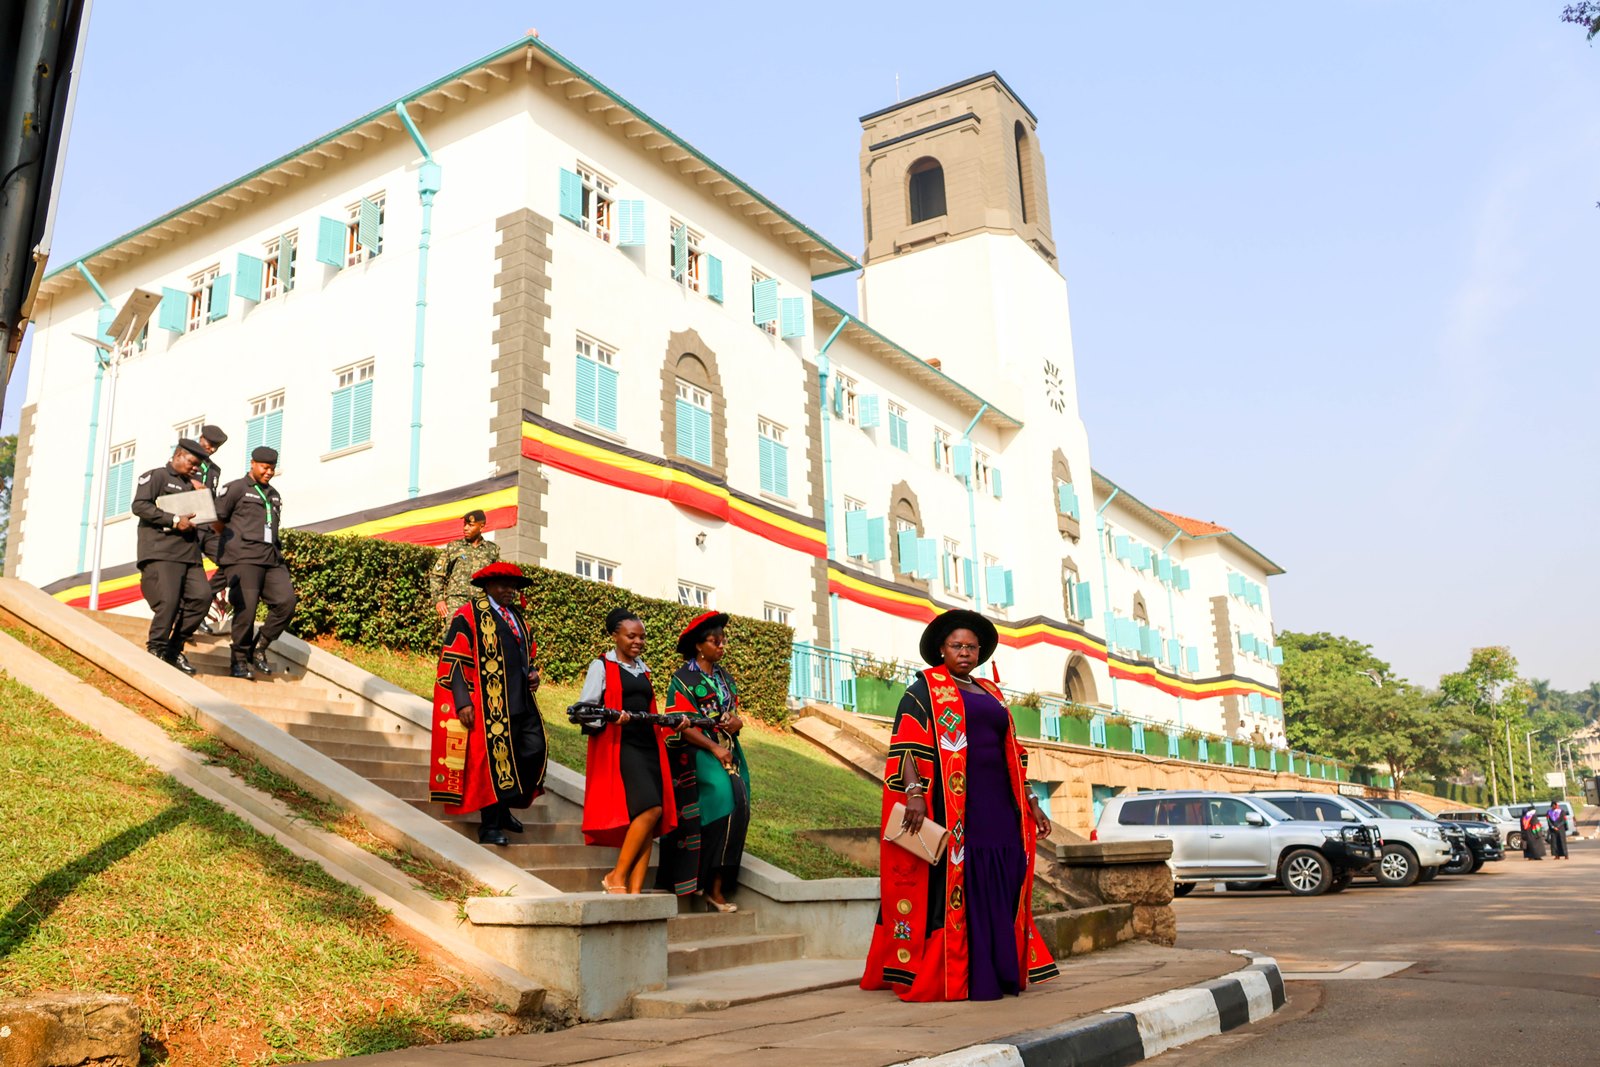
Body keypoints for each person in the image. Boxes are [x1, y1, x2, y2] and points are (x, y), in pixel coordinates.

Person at [862, 609, 1059, 1002]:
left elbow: (1012, 751)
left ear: (980, 651)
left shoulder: (992, 692)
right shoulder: (924, 689)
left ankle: (1001, 969)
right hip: (955, 807)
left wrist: (1032, 801)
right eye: (957, 646)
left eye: (971, 647)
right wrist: (914, 793)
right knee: (967, 883)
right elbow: (906, 744)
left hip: (1001, 806)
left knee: (1006, 877)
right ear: (942, 649)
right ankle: (969, 974)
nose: (965, 652)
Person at [429, 562, 547, 845]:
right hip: (488, 704)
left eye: (513, 586)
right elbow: (454, 659)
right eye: (504, 585)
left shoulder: (517, 618)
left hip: (521, 702)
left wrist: (533, 674)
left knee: (533, 750)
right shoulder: (468, 615)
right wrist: (462, 702)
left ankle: (504, 810)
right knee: (495, 762)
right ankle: (490, 825)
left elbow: (527, 657)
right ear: (488, 586)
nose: (510, 590)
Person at [655, 611, 751, 911]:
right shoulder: (683, 679)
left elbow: (733, 714)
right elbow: (679, 724)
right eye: (715, 641)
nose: (721, 646)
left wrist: (737, 723)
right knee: (722, 800)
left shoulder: (725, 678)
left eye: (723, 640)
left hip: (729, 750)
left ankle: (716, 887)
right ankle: (696, 880)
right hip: (697, 751)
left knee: (741, 807)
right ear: (699, 645)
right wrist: (714, 748)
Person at [578, 608, 678, 894]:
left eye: (642, 637)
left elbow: (649, 707)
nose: (638, 642)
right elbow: (586, 711)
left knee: (651, 816)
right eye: (631, 636)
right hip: (623, 745)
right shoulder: (601, 666)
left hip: (649, 745)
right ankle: (616, 876)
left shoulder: (643, 668)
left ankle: (635, 889)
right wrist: (611, 717)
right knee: (650, 808)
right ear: (615, 636)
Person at [130, 440, 213, 675]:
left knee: (202, 598)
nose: (195, 468)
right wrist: (174, 520)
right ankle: (156, 647)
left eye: (198, 466)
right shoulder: (157, 476)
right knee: (169, 601)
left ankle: (174, 648)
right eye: (192, 463)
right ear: (178, 455)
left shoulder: (193, 486)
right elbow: (140, 506)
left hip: (189, 554)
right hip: (162, 551)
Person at [214, 447, 296, 679]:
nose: (269, 472)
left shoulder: (274, 495)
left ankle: (258, 647)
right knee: (247, 610)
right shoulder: (236, 488)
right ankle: (239, 660)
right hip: (244, 559)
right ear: (252, 463)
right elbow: (217, 521)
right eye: (264, 467)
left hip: (271, 558)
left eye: (272, 468)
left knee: (286, 603)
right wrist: (234, 546)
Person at [429, 510, 501, 630]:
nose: (465, 528)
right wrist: (439, 600)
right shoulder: (454, 547)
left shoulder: (492, 550)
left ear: (481, 526)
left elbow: (498, 580)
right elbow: (437, 574)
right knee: (454, 636)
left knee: (480, 637)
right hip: (456, 602)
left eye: (470, 525)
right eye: (464, 524)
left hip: (482, 603)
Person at [192, 424, 231, 634]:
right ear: (201, 438)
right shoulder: (186, 459)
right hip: (188, 525)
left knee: (232, 561)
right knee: (189, 572)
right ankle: (188, 615)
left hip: (208, 526)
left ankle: (201, 604)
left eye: (216, 446)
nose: (211, 449)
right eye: (209, 444)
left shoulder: (215, 470)